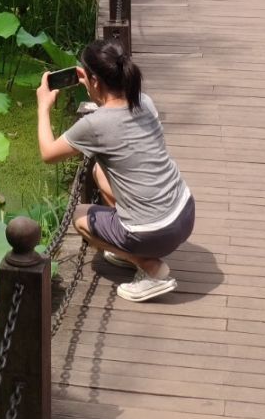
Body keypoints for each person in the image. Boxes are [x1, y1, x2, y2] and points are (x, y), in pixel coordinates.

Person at [36, 38, 194, 302]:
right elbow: (116, 118)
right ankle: (132, 243)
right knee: (100, 172)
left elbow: (48, 153)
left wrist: (43, 107)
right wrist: (96, 90)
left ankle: (149, 267)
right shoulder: (144, 100)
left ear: (95, 80)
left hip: (155, 232)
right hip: (185, 213)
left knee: (80, 216)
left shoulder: (94, 126)